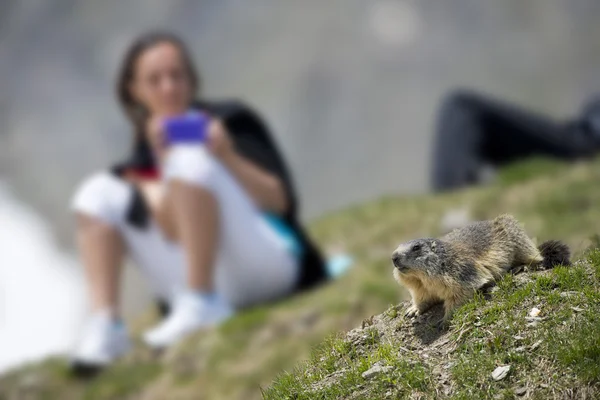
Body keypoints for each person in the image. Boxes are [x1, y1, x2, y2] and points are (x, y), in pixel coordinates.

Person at [69, 31, 329, 370]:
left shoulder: (232, 119)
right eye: (155, 79)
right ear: (135, 91)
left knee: (189, 160)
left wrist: (227, 156)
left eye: (176, 75)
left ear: (191, 80)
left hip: (268, 261)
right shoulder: (141, 158)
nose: (168, 88)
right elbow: (171, 230)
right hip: (208, 273)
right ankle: (106, 325)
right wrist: (161, 167)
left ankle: (201, 300)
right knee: (96, 192)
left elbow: (281, 202)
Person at [430, 88, 600, 192]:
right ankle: (455, 212)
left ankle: (454, 212)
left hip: (590, 140)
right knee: (460, 108)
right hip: (586, 131)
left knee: (461, 107)